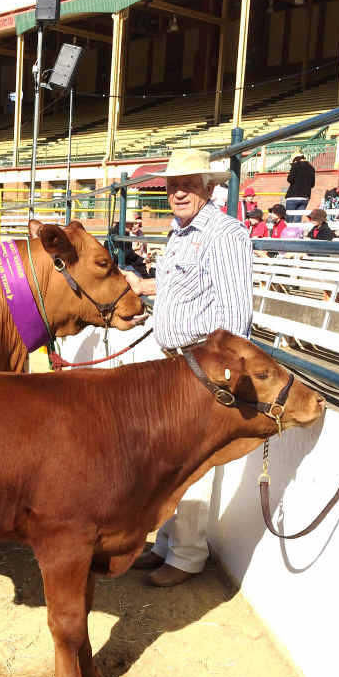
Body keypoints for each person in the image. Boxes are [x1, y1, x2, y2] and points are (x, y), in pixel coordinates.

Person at [121, 148, 253, 588]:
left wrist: (222, 375)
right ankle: (168, 543)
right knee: (168, 459)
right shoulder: (181, 232)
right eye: (173, 184)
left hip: (200, 368)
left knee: (191, 462)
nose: (178, 192)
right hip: (174, 364)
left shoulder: (225, 234)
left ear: (209, 187)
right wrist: (144, 285)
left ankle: (189, 555)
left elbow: (236, 314)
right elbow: (184, 283)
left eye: (188, 183)